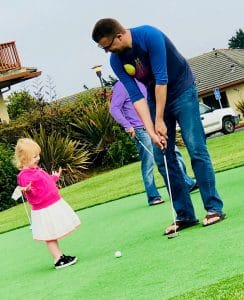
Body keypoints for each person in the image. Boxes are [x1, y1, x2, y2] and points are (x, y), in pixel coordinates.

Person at [92, 18, 225, 234]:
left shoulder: (149, 36)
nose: (108, 52)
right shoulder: (116, 61)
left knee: (196, 148)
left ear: (119, 35)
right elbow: (136, 97)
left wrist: (160, 119)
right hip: (154, 97)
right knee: (162, 155)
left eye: (108, 46)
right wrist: (152, 130)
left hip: (182, 90)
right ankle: (184, 216)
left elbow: (162, 79)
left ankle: (213, 209)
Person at [110, 79, 198, 206]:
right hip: (140, 129)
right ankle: (153, 196)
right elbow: (114, 109)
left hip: (155, 125)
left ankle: (187, 184)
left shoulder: (143, 80)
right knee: (149, 162)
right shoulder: (121, 85)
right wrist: (127, 126)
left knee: (174, 153)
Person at [14, 138, 80, 269]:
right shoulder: (24, 175)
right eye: (34, 157)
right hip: (43, 209)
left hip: (52, 204)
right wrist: (28, 189)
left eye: (38, 155)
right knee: (49, 235)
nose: (38, 158)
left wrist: (54, 178)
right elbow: (30, 190)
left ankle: (60, 256)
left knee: (52, 232)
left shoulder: (37, 170)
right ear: (24, 159)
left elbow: (45, 184)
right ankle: (57, 259)